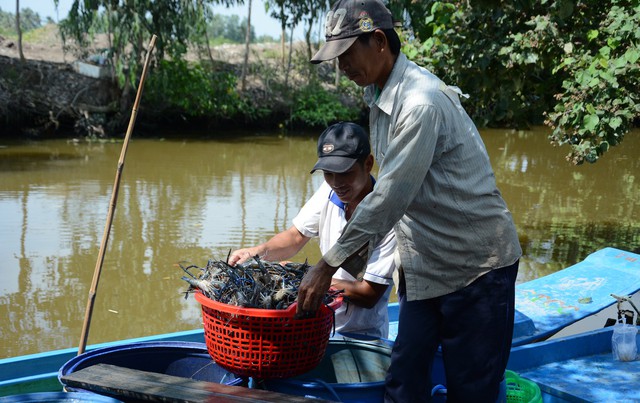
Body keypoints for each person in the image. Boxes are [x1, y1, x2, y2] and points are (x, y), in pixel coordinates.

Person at [296, 1, 523, 402]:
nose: (342, 67)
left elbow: (389, 197)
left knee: (471, 391)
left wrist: (327, 264)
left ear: (379, 41)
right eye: (337, 59)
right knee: (403, 381)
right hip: (424, 269)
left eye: (347, 54)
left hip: (476, 269)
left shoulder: (420, 103)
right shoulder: (378, 93)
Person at [228, 121, 396, 339]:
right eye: (328, 172)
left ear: (368, 164)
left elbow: (368, 293)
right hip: (318, 327)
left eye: (345, 172)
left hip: (362, 334)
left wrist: (304, 275)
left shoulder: (388, 215)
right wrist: (257, 252)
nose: (336, 182)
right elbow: (295, 236)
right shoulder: (329, 191)